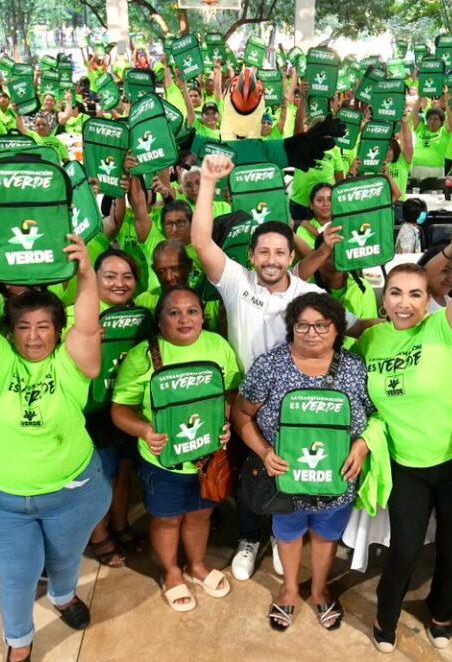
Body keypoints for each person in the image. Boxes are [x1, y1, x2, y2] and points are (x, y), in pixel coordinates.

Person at [0, 225, 111, 662]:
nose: (33, 336)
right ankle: (20, 644)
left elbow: (86, 323)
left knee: (66, 560)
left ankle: (63, 596)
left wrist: (85, 275)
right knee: (16, 577)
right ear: (10, 332)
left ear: (57, 332)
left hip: (73, 494)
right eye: (23, 327)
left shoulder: (72, 364)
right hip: (5, 503)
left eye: (44, 326)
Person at [361, 200, 452, 652]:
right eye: (396, 293)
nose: (404, 303)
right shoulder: (371, 338)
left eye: (415, 294)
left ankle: (443, 615)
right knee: (404, 549)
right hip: (407, 464)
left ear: (428, 299)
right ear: (384, 298)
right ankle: (385, 618)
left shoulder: (444, 327)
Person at [189, 154, 329, 581]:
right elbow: (201, 242)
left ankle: (283, 536)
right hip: (244, 403)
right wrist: (210, 181)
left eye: (280, 252)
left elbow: (335, 334)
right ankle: (249, 539)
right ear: (251, 255)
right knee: (249, 478)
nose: (271, 259)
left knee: (287, 470)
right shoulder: (236, 283)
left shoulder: (308, 291)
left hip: (294, 404)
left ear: (291, 256)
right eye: (263, 251)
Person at [234, 293, 374, 631]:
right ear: (292, 327)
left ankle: (320, 589)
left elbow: (376, 417)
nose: (312, 333)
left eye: (322, 325)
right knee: (289, 533)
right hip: (285, 479)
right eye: (303, 325)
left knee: (327, 535)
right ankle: (289, 590)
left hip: (337, 477)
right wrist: (265, 452)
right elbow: (241, 412)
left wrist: (363, 446)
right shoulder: (270, 365)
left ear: (338, 330)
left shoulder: (355, 368)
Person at [111, 285, 239, 611]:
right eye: (174, 312)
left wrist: (226, 424)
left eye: (192, 311)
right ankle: (171, 572)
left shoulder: (218, 346)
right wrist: (144, 430)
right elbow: (120, 409)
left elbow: (231, 394)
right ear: (160, 320)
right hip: (162, 460)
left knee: (201, 514)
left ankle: (196, 565)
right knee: (167, 518)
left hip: (207, 458)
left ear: (202, 316)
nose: (184, 319)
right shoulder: (144, 356)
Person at [79, 251, 149, 568]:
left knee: (123, 471)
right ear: (94, 278)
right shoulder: (77, 316)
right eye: (110, 275)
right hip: (92, 412)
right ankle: (98, 534)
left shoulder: (141, 318)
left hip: (129, 410)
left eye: (127, 276)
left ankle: (120, 525)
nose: (119, 283)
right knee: (100, 477)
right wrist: (83, 339)